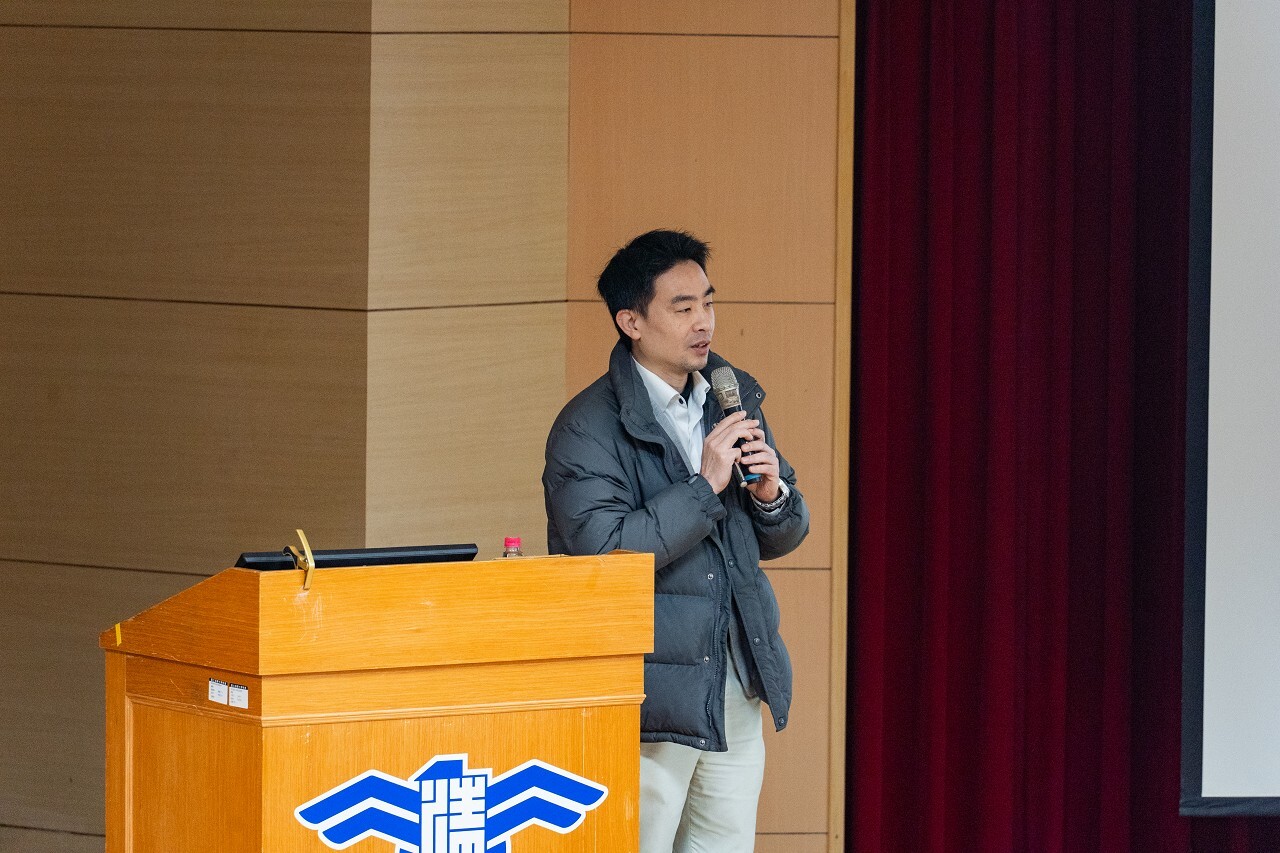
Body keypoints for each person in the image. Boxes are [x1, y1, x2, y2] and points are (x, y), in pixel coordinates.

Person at [542, 229, 809, 852]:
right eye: (682, 307)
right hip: (648, 693)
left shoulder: (730, 398)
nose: (703, 323)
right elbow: (602, 556)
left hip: (734, 676)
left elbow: (779, 537)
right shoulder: (587, 428)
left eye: (708, 303)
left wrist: (773, 496)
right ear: (631, 321)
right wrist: (703, 487)